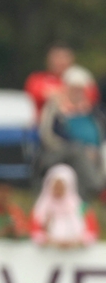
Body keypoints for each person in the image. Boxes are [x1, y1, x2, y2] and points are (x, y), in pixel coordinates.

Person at [38, 65, 106, 200]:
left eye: (80, 89)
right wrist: (81, 147)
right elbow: (48, 135)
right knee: (78, 152)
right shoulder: (56, 107)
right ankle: (97, 187)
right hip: (60, 151)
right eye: (74, 89)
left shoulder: (90, 109)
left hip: (93, 150)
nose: (78, 93)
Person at [25, 43, 99, 122]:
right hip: (47, 127)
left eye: (64, 57)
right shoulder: (38, 79)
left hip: (76, 125)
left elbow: (91, 98)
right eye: (57, 57)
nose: (60, 61)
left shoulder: (82, 77)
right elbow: (38, 94)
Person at [30, 164, 99, 248]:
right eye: (55, 187)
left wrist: (76, 242)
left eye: (61, 187)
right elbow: (34, 233)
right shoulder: (40, 208)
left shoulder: (82, 207)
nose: (57, 191)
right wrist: (50, 241)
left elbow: (92, 234)